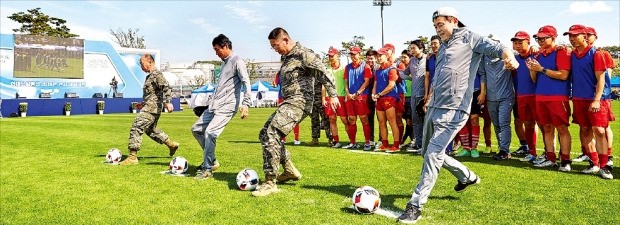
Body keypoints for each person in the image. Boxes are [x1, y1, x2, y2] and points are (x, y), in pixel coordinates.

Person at [397, 7, 519, 223]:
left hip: (455, 108)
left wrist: (510, 57)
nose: (438, 29)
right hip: (435, 106)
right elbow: (440, 76)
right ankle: (467, 176)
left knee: (433, 153)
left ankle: (415, 205)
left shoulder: (470, 37)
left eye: (440, 24)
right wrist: (429, 98)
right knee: (428, 153)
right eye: (435, 26)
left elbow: (498, 48)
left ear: (453, 20)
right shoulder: (443, 46)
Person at [252, 27, 339, 197]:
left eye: (276, 45)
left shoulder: (303, 53)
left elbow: (323, 72)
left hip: (300, 101)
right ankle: (290, 170)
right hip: (289, 101)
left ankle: (270, 182)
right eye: (272, 47)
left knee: (272, 133)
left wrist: (333, 95)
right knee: (264, 134)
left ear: (285, 40)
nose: (275, 49)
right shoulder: (286, 57)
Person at [192, 34, 251, 179]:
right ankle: (212, 160)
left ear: (225, 46)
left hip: (227, 107)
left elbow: (246, 82)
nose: (216, 53)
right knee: (197, 130)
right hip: (214, 106)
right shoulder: (224, 63)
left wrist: (246, 104)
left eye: (217, 49)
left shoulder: (238, 61)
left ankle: (207, 169)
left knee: (210, 132)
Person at [564, 25, 612, 178]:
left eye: (575, 35)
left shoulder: (596, 54)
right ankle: (595, 163)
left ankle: (605, 166)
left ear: (584, 36)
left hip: (597, 99)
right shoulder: (571, 54)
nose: (571, 39)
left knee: (599, 130)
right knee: (585, 130)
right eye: (569, 36)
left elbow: (601, 79)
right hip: (579, 98)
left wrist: (597, 100)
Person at [119, 54, 180, 166]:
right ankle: (171, 144)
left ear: (150, 62)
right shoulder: (149, 77)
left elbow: (166, 87)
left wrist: (168, 102)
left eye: (142, 63)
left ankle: (132, 157)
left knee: (137, 126)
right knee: (150, 130)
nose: (141, 66)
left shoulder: (157, 74)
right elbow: (152, 94)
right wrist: (142, 104)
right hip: (149, 107)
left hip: (151, 109)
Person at [525, 25, 572, 169]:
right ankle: (550, 158)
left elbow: (563, 75)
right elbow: (534, 79)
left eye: (544, 37)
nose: (540, 40)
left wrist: (541, 69)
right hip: (540, 96)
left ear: (553, 38)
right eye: (538, 38)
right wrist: (532, 69)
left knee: (562, 128)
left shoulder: (561, 52)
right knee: (547, 128)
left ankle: (565, 160)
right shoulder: (539, 55)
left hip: (557, 97)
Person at [479, 39, 516, 161]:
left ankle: (505, 150)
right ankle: (502, 148)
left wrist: (534, 48)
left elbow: (520, 55)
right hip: (491, 97)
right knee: (496, 124)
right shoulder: (483, 58)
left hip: (506, 96)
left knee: (504, 123)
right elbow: (483, 76)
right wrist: (483, 93)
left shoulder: (507, 55)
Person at [510, 31, 539, 162]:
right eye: (515, 43)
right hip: (521, 95)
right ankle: (532, 152)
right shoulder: (514, 59)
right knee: (527, 124)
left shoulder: (536, 54)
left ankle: (551, 153)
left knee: (545, 125)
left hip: (536, 95)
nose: (517, 45)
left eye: (520, 42)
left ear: (528, 42)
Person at [343, 46, 373, 150]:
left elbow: (367, 81)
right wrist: (347, 92)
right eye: (351, 54)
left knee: (364, 119)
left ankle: (367, 142)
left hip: (361, 96)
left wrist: (358, 92)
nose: (353, 56)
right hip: (350, 96)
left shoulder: (366, 66)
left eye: (355, 54)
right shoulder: (347, 67)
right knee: (352, 120)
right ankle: (352, 142)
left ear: (359, 54)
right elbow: (345, 82)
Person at [372, 47, 401, 152]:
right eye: (377, 56)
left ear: (386, 56)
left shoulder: (392, 69)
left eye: (380, 56)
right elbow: (375, 84)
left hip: (389, 98)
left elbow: (391, 86)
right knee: (381, 122)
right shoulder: (377, 70)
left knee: (392, 122)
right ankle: (385, 144)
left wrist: (378, 94)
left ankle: (396, 145)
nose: (378, 58)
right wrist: (373, 94)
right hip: (379, 99)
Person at [399, 40, 427, 153]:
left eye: (413, 48)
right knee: (416, 121)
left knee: (427, 121)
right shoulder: (412, 61)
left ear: (421, 48)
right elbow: (404, 73)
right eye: (411, 48)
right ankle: (418, 144)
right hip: (414, 95)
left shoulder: (428, 59)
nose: (411, 50)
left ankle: (427, 144)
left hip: (426, 95)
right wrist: (411, 79)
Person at [324, 47, 349, 148]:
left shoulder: (344, 69)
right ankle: (336, 141)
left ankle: (352, 141)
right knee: (332, 120)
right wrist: (323, 98)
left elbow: (347, 84)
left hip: (341, 97)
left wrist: (347, 94)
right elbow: (324, 85)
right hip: (329, 97)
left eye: (332, 56)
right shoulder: (326, 69)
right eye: (329, 56)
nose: (330, 58)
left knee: (344, 120)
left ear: (337, 56)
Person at [365, 50, 379, 147]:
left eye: (372, 58)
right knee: (369, 119)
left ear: (376, 58)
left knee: (381, 119)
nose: (370, 60)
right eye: (368, 58)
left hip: (379, 97)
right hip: (368, 97)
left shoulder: (379, 68)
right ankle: (371, 139)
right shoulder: (364, 68)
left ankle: (382, 140)